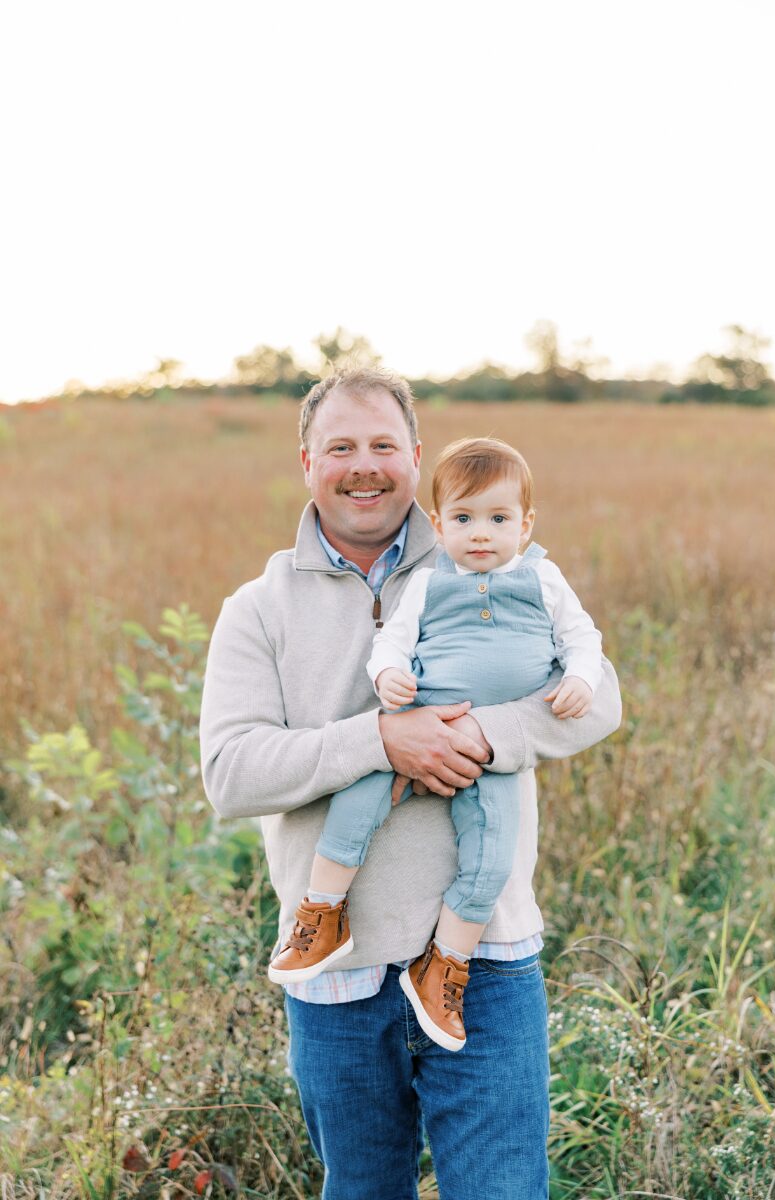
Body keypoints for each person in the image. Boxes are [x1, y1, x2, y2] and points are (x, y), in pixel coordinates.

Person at [200, 366, 622, 1199]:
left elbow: (598, 697)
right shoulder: (258, 607)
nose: (364, 466)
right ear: (307, 463)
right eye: (340, 448)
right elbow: (231, 773)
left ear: (416, 456)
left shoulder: (487, 552)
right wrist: (382, 740)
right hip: (336, 970)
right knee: (364, 1189)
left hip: (485, 959)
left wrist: (478, 735)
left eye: (383, 445)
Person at [265, 435, 604, 1057]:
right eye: (464, 520)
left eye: (499, 519)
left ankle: (445, 962)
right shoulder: (428, 581)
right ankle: (324, 910)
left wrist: (580, 677)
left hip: (491, 753)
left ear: (526, 525)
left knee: (491, 855)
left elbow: (582, 638)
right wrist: (387, 676)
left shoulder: (542, 577)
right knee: (357, 803)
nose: (482, 534)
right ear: (439, 524)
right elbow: (394, 640)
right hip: (415, 718)